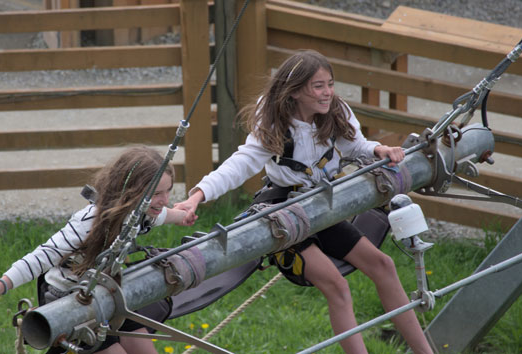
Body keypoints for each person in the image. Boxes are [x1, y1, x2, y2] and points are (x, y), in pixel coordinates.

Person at [174, 50, 433, 353]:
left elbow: (356, 145)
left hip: (322, 206)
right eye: (318, 86)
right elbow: (239, 165)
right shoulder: (273, 123)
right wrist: (198, 195)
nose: (327, 93)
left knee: (383, 265)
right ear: (295, 91)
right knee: (337, 286)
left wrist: (378, 151)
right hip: (285, 212)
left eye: (330, 84)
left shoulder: (336, 113)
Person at [0, 145, 195, 354]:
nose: (165, 199)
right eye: (156, 193)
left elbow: (164, 214)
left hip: (105, 292)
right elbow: (39, 258)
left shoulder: (144, 213)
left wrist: (183, 216)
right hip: (69, 296)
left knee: (142, 348)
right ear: (130, 191)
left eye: (168, 191)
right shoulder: (90, 222)